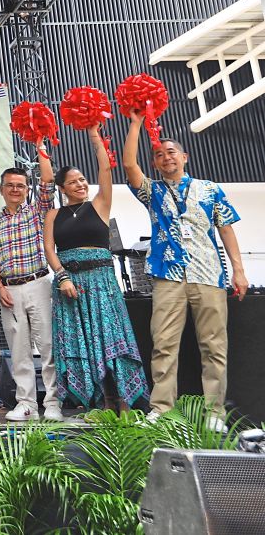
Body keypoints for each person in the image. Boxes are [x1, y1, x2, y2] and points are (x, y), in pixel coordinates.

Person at [123, 114, 246, 423]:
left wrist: (238, 270)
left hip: (208, 273)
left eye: (171, 152)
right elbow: (128, 166)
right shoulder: (152, 192)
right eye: (159, 155)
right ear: (155, 164)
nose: (166, 158)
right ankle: (161, 409)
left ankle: (214, 413)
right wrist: (137, 122)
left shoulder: (209, 189)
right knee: (163, 344)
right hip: (168, 276)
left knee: (214, 345)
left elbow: (227, 229)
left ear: (184, 157)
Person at [44, 128, 148, 411]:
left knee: (110, 338)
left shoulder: (100, 204)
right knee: (80, 342)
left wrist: (93, 135)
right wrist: (62, 276)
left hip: (102, 282)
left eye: (82, 180)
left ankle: (123, 401)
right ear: (62, 188)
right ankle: (94, 404)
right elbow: (50, 250)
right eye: (72, 182)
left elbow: (105, 168)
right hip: (70, 284)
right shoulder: (54, 214)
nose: (80, 184)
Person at [0, 161, 63, 422]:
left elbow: (48, 184)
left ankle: (52, 403)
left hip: (38, 283)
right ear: (1, 189)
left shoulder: (37, 212)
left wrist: (40, 144)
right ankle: (26, 403)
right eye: (10, 185)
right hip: (10, 289)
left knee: (48, 345)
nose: (15, 190)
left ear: (27, 189)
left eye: (20, 186)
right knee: (19, 350)